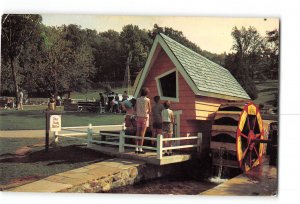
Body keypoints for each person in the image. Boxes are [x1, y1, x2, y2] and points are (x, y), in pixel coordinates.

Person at [134, 87, 151, 154]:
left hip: (138, 117)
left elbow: (135, 108)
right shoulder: (148, 100)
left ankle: (136, 148)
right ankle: (140, 149)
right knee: (142, 133)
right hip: (145, 117)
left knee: (137, 132)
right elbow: (149, 110)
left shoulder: (137, 99)